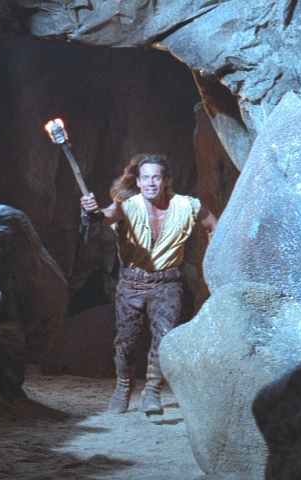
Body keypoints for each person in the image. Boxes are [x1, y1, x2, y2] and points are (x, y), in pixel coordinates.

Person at [80, 153, 217, 415]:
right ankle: (123, 387)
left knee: (165, 338)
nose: (151, 183)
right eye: (146, 178)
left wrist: (214, 261)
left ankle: (152, 391)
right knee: (126, 344)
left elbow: (214, 226)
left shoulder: (187, 206)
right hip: (131, 284)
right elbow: (104, 217)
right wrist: (90, 212)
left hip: (167, 283)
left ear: (166, 181)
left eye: (156, 177)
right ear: (138, 182)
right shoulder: (126, 206)